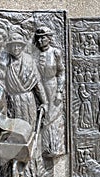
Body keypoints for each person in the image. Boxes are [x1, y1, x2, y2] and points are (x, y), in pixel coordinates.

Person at [5, 32, 48, 177]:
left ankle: (32, 171)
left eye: (18, 45)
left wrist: (44, 102)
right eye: (13, 45)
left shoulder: (29, 61)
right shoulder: (6, 62)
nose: (16, 48)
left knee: (31, 135)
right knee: (16, 136)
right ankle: (15, 170)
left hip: (28, 101)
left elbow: (38, 83)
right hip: (13, 103)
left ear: (22, 46)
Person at [33, 27, 65, 157]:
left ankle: (56, 148)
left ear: (49, 38)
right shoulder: (35, 54)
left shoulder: (55, 52)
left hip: (52, 86)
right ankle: (44, 148)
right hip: (39, 87)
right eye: (38, 38)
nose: (40, 40)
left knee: (54, 116)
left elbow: (61, 72)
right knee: (43, 116)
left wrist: (59, 91)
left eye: (43, 37)